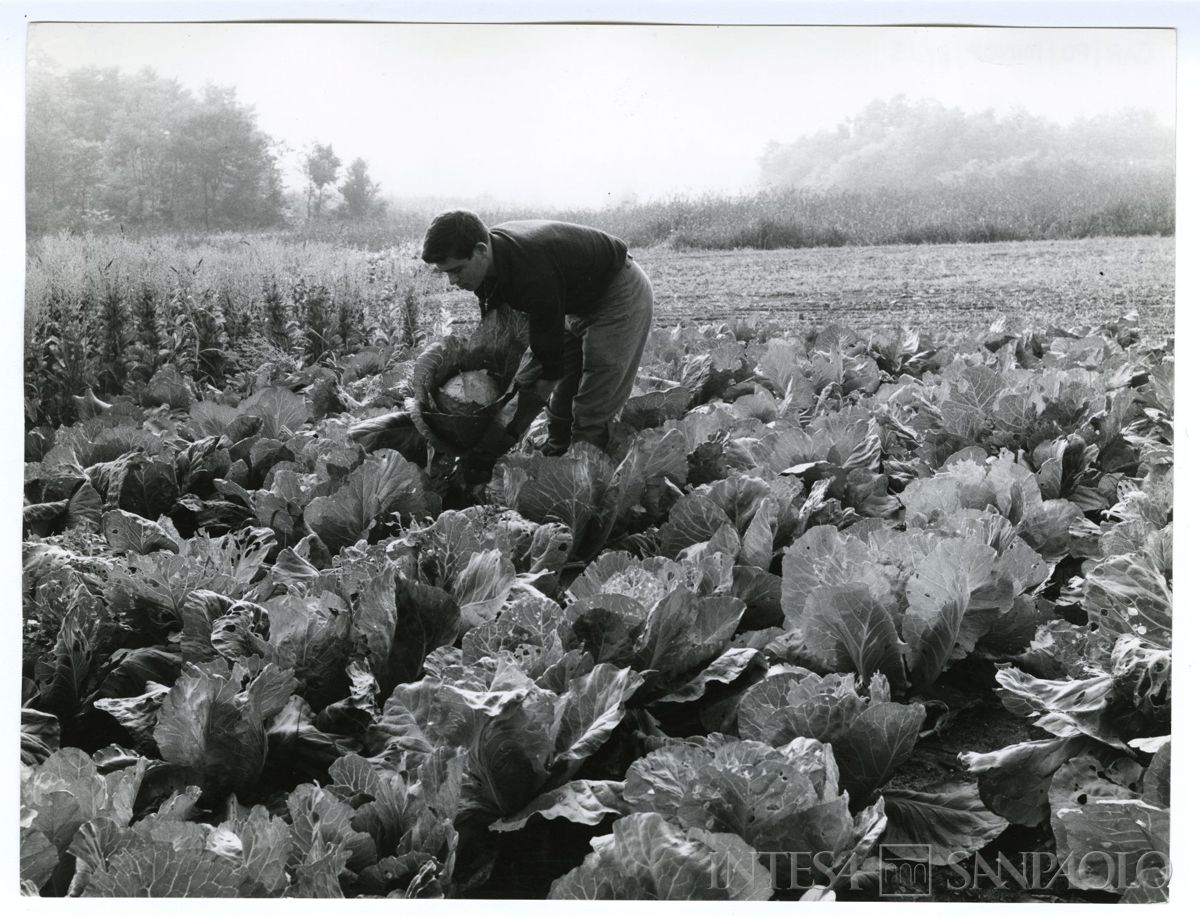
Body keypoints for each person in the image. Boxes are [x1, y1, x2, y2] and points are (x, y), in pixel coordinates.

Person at [421, 210, 654, 457]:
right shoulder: (489, 265)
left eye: (457, 270)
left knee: (595, 401)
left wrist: (507, 434)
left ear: (481, 251)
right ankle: (556, 457)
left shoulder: (529, 270)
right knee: (563, 400)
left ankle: (586, 474)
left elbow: (547, 375)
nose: (452, 281)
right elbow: (502, 344)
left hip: (617, 293)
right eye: (445, 272)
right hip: (572, 298)